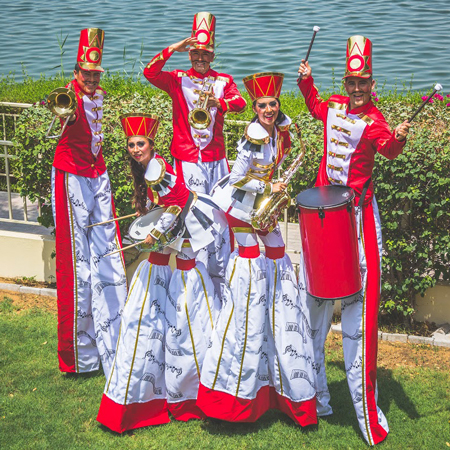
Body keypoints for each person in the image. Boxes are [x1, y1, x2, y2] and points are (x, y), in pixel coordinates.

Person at [297, 35, 411, 445]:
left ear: (372, 83)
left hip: (359, 219)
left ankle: (366, 411)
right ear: (344, 83)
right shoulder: (332, 105)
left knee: (361, 310)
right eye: (351, 81)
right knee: (315, 305)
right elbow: (312, 106)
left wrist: (398, 136)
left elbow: (390, 150)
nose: (357, 88)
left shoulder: (377, 120)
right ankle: (313, 399)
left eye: (363, 82)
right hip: (325, 219)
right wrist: (306, 83)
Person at [197, 72, 318, 427]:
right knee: (250, 269)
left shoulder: (277, 131)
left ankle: (277, 340)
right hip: (241, 208)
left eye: (273, 104)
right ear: (254, 107)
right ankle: (239, 372)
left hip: (261, 204)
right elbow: (236, 178)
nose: (268, 109)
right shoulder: (252, 136)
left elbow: (286, 145)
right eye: (262, 105)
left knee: (278, 257)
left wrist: (275, 180)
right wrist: (269, 183)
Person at [97, 113, 227, 432]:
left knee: (182, 321)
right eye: (131, 144)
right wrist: (151, 220)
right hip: (177, 243)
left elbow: (175, 209)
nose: (135, 148)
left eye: (140, 143)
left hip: (187, 241)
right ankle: (178, 394)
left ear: (151, 144)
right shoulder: (150, 166)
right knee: (170, 321)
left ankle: (187, 395)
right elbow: (166, 207)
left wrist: (154, 234)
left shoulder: (156, 168)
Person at [143, 12, 247, 295]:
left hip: (216, 159)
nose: (200, 59)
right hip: (187, 159)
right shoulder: (177, 79)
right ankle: (196, 284)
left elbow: (242, 103)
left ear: (212, 57)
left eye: (205, 54)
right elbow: (149, 72)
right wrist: (172, 48)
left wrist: (219, 102)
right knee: (193, 219)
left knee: (221, 217)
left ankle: (222, 281)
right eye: (195, 54)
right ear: (189, 55)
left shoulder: (223, 80)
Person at [51, 28, 127, 376]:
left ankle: (114, 344)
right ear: (76, 73)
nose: (93, 78)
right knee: (77, 266)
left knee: (109, 259)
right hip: (72, 175)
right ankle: (79, 356)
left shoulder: (99, 95)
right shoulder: (70, 95)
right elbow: (55, 107)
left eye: (97, 73)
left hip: (98, 174)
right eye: (87, 73)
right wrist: (63, 108)